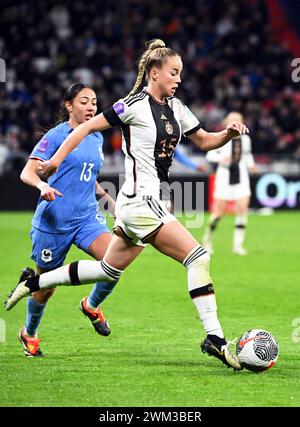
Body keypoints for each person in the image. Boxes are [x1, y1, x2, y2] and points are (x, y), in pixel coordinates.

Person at [6, 40, 249, 370]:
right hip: (140, 201)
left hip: (140, 203)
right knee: (198, 256)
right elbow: (84, 129)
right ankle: (215, 338)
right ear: (154, 72)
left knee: (107, 270)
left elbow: (205, 139)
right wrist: (53, 163)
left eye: (180, 73)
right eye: (173, 72)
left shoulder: (177, 108)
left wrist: (228, 134)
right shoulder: (131, 105)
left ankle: (35, 282)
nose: (178, 79)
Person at [14, 83, 117, 357]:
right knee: (45, 287)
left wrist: (111, 205)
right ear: (69, 105)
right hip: (54, 222)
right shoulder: (56, 136)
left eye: (94, 101)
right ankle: (29, 333)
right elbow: (27, 172)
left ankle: (91, 305)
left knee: (115, 261)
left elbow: (89, 178)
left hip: (86, 219)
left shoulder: (96, 137)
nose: (92, 107)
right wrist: (42, 186)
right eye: (84, 101)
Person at [203, 112, 257, 255]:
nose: (235, 122)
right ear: (226, 122)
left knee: (242, 210)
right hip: (224, 176)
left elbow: (247, 155)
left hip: (241, 176)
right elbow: (210, 154)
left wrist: (252, 165)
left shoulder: (245, 139)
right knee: (218, 214)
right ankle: (207, 240)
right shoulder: (221, 136)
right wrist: (221, 158)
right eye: (232, 120)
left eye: (238, 120)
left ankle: (237, 245)